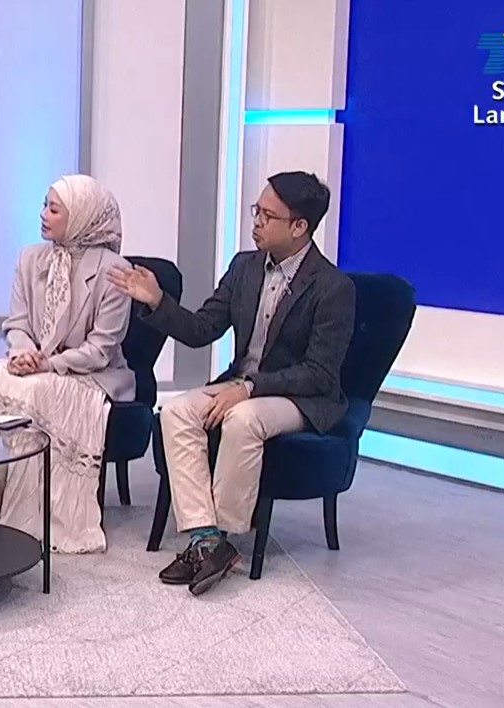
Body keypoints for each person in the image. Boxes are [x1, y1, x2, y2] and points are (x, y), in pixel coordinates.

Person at [108, 170, 355, 596]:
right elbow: (202, 328)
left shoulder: (334, 288)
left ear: (299, 226)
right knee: (176, 411)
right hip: (243, 385)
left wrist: (249, 388)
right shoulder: (244, 267)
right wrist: (157, 301)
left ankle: (224, 534)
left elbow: (318, 372)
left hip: (300, 397)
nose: (255, 221)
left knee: (243, 419)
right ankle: (207, 539)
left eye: (267, 216)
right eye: (256, 210)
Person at [0, 174, 135, 554]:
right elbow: (18, 323)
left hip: (90, 374)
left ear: (81, 217)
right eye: (44, 205)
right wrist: (22, 353)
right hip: (36, 368)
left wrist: (48, 363)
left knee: (34, 393)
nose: (43, 214)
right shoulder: (29, 258)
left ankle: (23, 519)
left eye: (54, 209)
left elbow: (101, 349)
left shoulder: (114, 271)